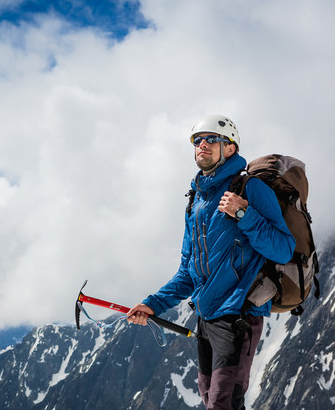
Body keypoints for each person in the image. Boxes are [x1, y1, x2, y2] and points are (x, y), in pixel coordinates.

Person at [126, 115, 295, 410]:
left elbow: (283, 249)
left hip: (238, 315)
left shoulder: (250, 190)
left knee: (222, 404)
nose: (202, 145)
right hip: (206, 318)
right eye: (197, 140)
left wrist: (244, 214)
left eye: (211, 139)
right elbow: (188, 272)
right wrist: (152, 304)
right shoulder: (196, 202)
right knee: (213, 402)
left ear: (229, 148)